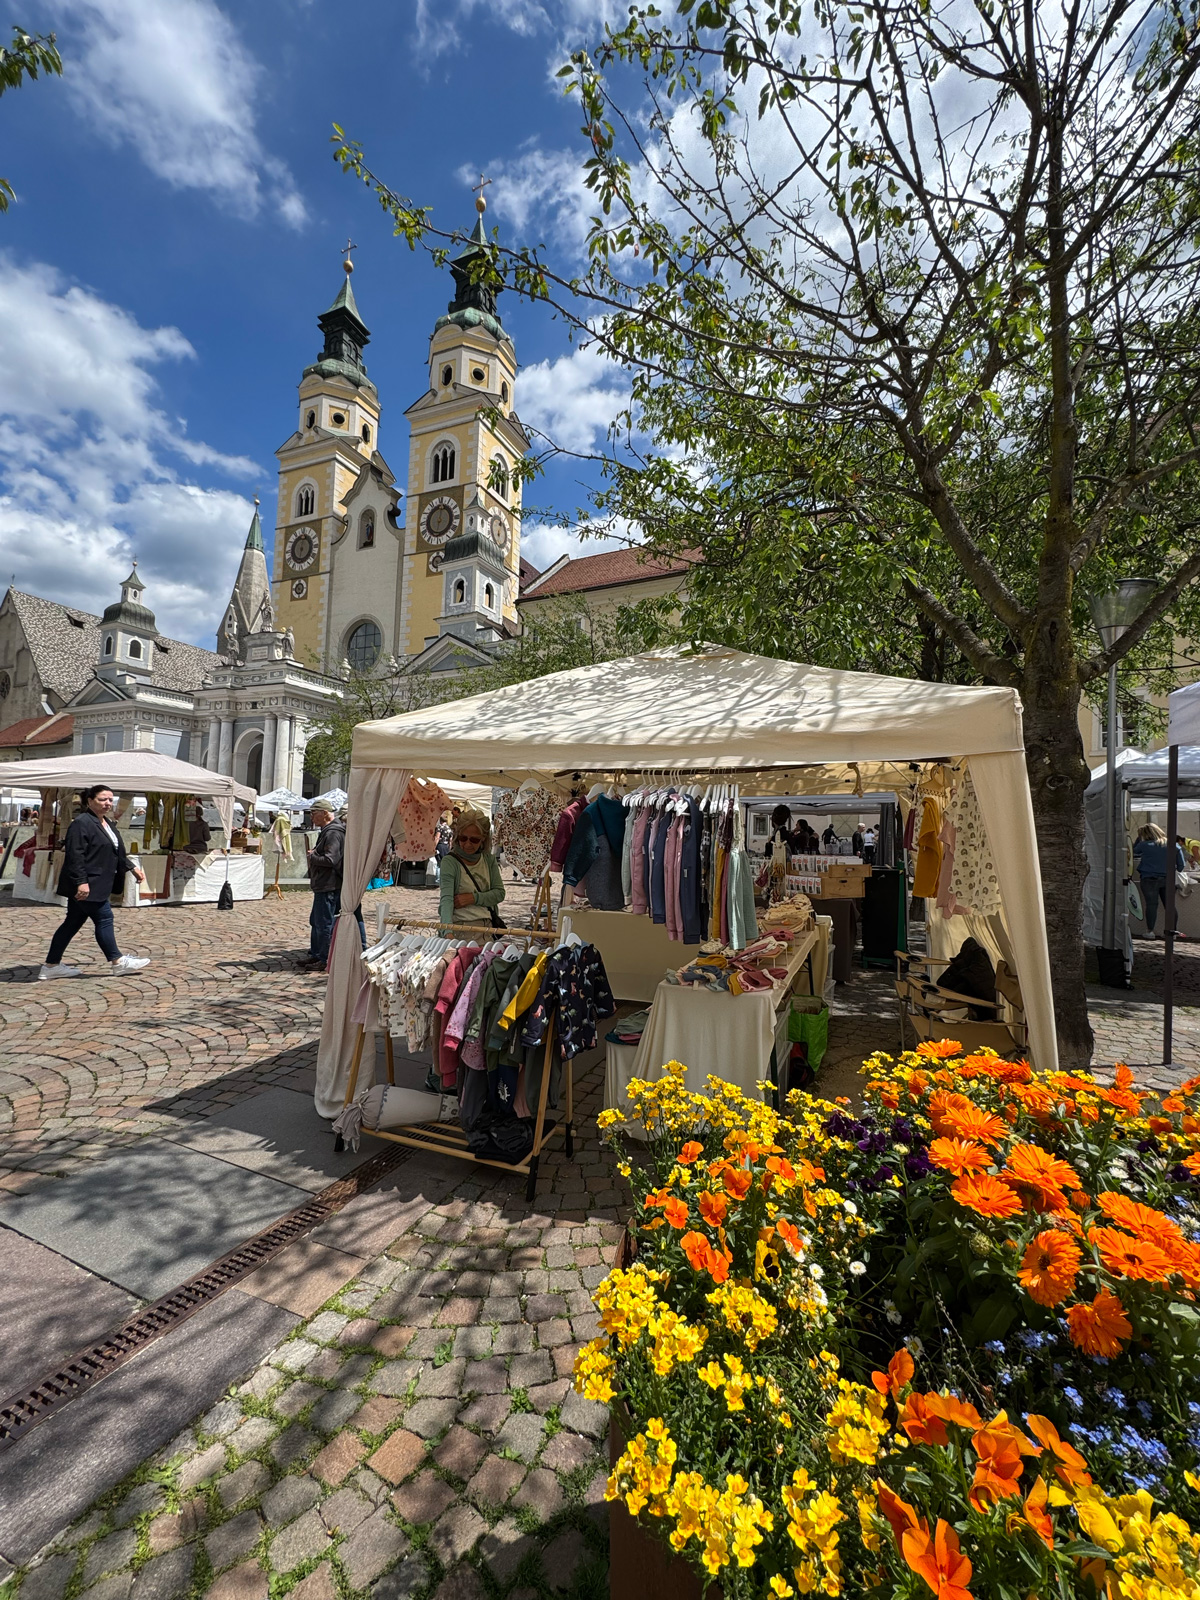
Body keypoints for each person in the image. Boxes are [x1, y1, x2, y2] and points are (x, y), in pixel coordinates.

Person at [39, 785, 148, 980]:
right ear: (89, 801)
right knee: (104, 918)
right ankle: (118, 961)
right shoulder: (81, 823)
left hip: (99, 881)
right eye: (102, 799)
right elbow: (75, 856)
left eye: (110, 800)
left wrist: (131, 867)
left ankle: (51, 965)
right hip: (88, 883)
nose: (108, 803)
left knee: (71, 923)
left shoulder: (107, 823)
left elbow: (115, 851)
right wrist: (81, 882)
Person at [303, 803, 366, 968]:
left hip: (329, 885)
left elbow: (331, 859)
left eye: (313, 813)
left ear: (324, 813)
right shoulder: (330, 830)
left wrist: (313, 856)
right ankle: (317, 954)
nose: (311, 817)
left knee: (324, 922)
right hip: (327, 884)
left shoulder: (333, 832)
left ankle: (324, 958)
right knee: (317, 921)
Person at [437, 807, 505, 928]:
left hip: (486, 929)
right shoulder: (450, 862)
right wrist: (447, 932)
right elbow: (446, 900)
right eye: (463, 838)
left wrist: (473, 898)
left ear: (483, 839)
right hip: (459, 928)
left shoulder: (488, 859)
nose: (468, 844)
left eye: (474, 840)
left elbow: (499, 893)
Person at [1132, 823, 1187, 938]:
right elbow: (1181, 866)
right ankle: (1172, 932)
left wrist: (1139, 838)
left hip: (1149, 879)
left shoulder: (1144, 845)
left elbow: (1133, 852)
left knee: (1151, 905)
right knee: (1170, 906)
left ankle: (1150, 931)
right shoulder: (1174, 846)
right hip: (1168, 879)